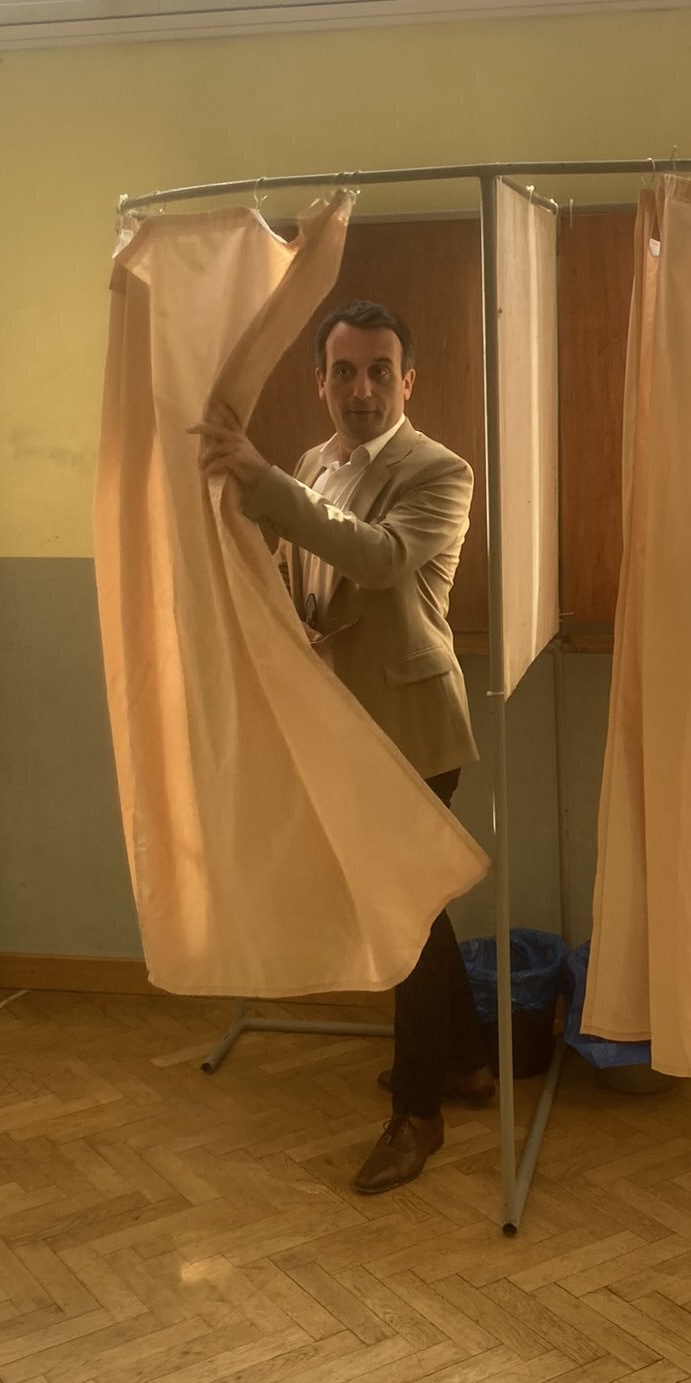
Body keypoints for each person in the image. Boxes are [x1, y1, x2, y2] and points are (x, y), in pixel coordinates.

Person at [191, 298, 493, 1195]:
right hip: (342, 724)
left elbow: (381, 559)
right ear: (319, 380)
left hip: (413, 729)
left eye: (379, 372)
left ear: (408, 381)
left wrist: (260, 483)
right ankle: (468, 1061)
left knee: (402, 920)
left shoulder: (440, 470)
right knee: (419, 909)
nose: (362, 389)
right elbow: (310, 572)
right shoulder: (315, 463)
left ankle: (418, 1114)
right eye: (345, 372)